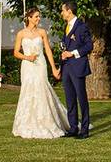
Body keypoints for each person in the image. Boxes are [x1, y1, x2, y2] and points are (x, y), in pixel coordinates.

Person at [11, 7, 70, 139]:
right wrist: (27, 57)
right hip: (27, 65)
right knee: (28, 91)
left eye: (39, 16)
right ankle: (27, 123)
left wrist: (54, 68)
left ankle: (47, 122)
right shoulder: (21, 33)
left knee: (42, 89)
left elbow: (48, 51)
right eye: (36, 16)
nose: (38, 19)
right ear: (29, 18)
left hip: (40, 65)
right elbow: (15, 52)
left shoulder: (42, 32)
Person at [59, 0, 93, 139]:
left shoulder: (82, 26)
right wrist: (63, 52)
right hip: (66, 67)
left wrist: (72, 53)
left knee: (81, 99)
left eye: (62, 10)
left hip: (78, 67)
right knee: (70, 99)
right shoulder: (66, 26)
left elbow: (89, 46)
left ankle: (84, 130)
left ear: (69, 11)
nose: (61, 13)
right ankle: (73, 128)